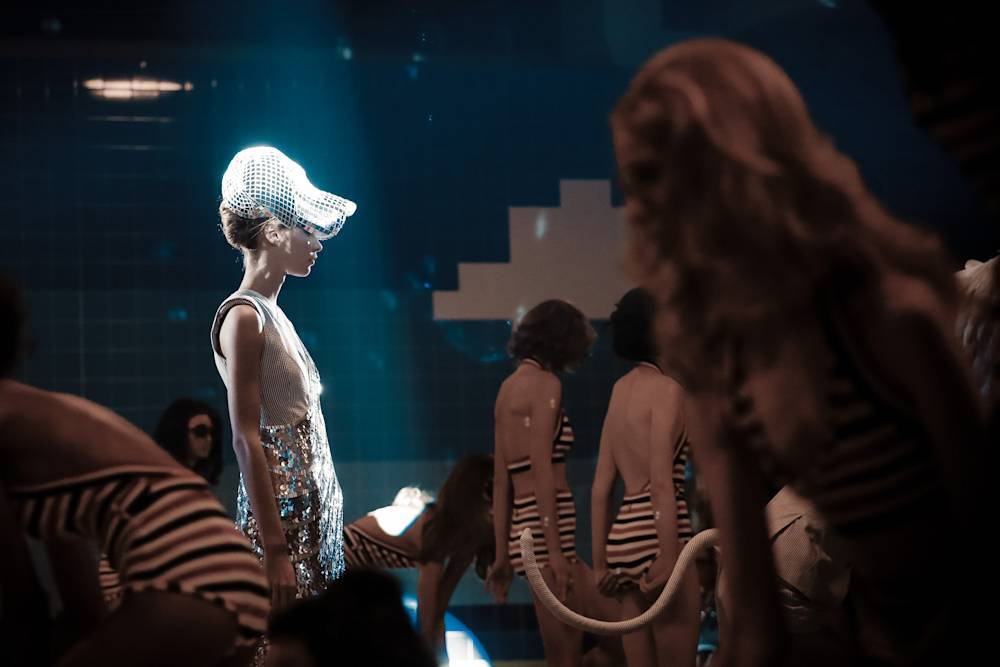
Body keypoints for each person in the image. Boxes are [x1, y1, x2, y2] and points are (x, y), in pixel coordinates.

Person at [611, 38, 987, 665]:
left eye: (670, 177)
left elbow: (980, 521)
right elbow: (753, 617)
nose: (652, 209)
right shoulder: (714, 360)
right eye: (642, 181)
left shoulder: (887, 312)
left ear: (744, 166)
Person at [0, 275, 269, 666]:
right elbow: (70, 571)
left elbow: (22, 594)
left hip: (191, 581)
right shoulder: (43, 415)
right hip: (230, 574)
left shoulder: (10, 419)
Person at [210, 146, 356, 627]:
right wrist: (274, 550)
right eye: (307, 228)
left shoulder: (274, 315)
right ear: (274, 231)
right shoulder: (244, 317)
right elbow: (245, 437)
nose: (318, 242)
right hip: (284, 527)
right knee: (279, 646)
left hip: (310, 523)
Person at [591, 287, 700, 667]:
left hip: (621, 541)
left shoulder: (618, 391)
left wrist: (601, 565)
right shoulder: (668, 390)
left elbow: (601, 489)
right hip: (662, 535)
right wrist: (669, 555)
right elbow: (662, 481)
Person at [486, 299, 597, 666]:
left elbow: (501, 480)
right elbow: (542, 467)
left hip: (523, 528)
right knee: (566, 653)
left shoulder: (506, 389)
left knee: (568, 647)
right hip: (550, 529)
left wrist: (502, 555)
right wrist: (555, 552)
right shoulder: (547, 384)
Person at [341, 455, 494, 660]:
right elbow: (426, 613)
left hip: (360, 566)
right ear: (474, 498)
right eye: (492, 495)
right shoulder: (436, 529)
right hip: (344, 555)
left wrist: (440, 654)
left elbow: (439, 607)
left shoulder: (467, 539)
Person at [153, 398, 225, 485]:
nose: (209, 439)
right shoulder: (164, 476)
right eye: (201, 431)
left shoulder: (201, 475)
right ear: (179, 433)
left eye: (212, 432)